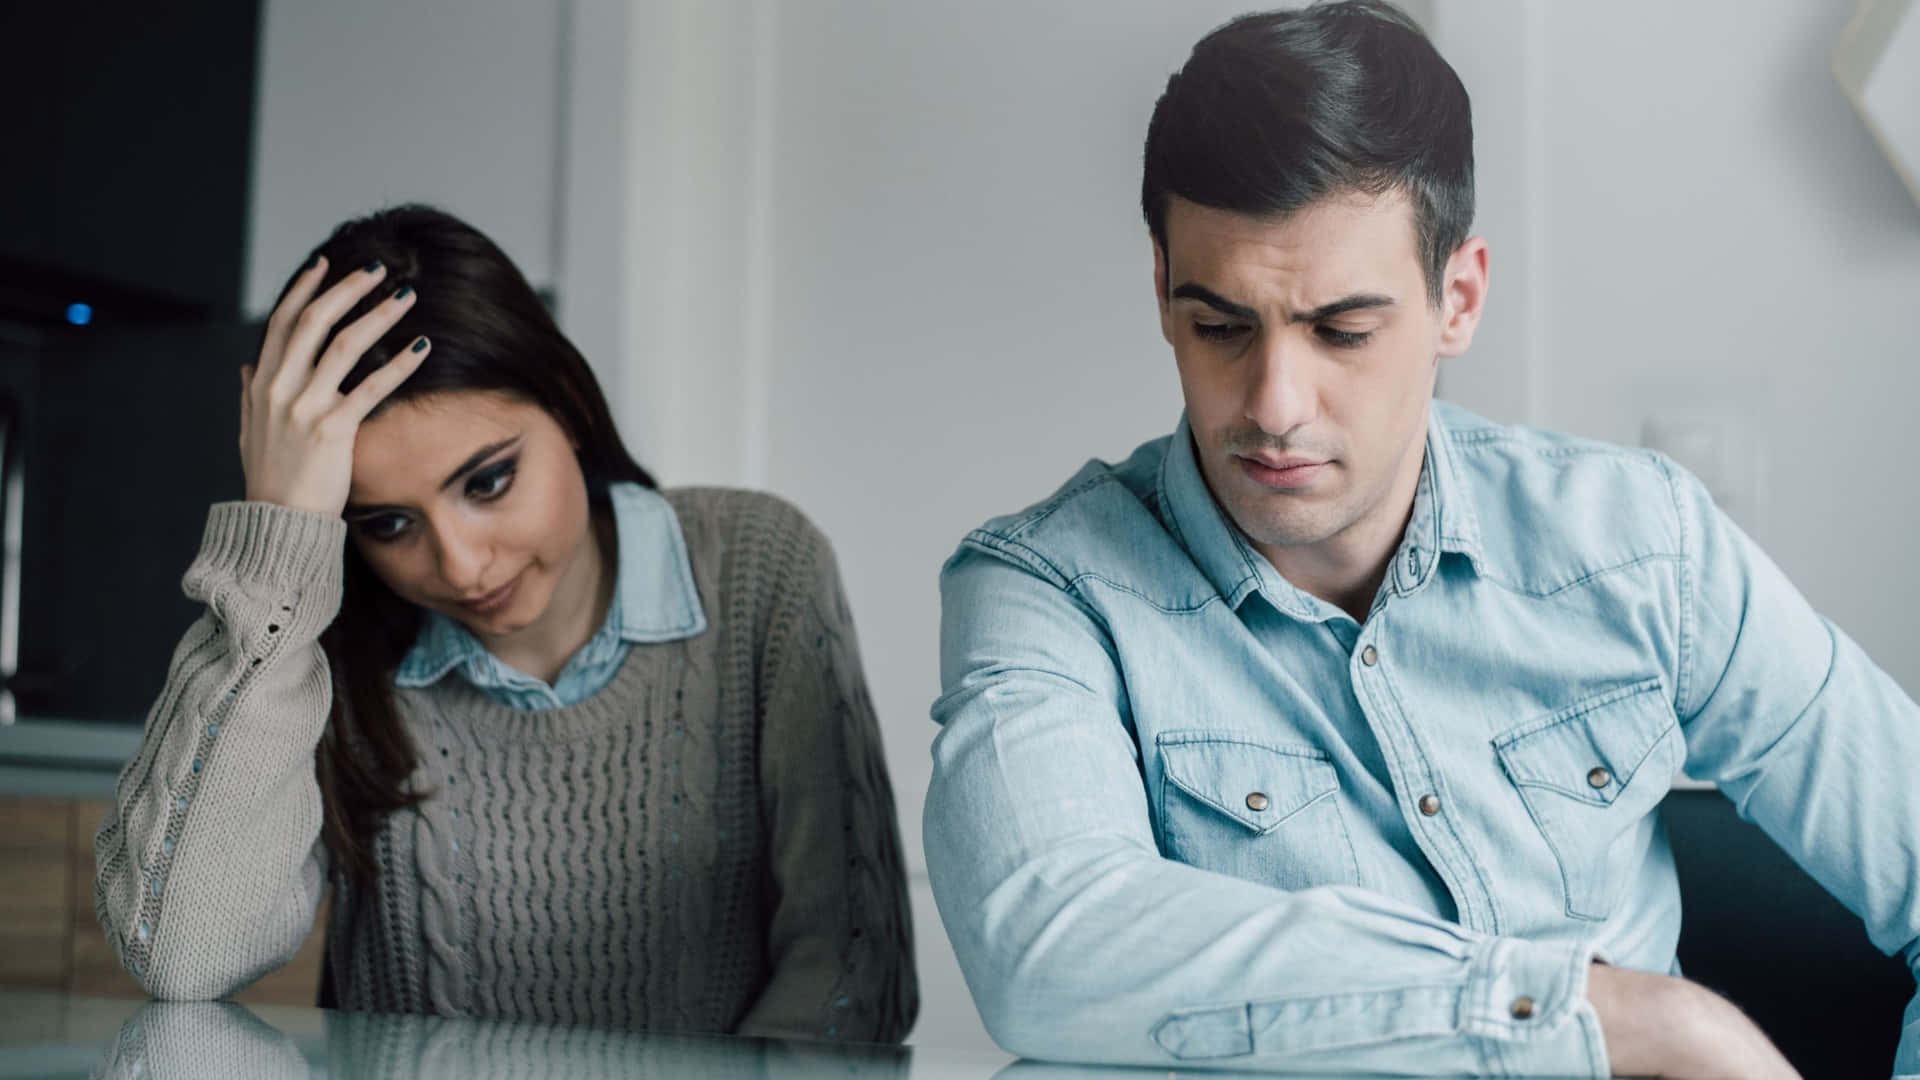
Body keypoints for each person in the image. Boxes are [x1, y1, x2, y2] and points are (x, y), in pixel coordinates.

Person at [923, 3, 1919, 1077]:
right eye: (1222, 326)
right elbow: (1048, 947)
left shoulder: (1644, 549)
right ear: (1163, 289)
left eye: (1343, 331)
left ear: (1460, 299)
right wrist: (1635, 1024)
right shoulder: (1045, 592)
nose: (1275, 404)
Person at [94, 205, 918, 1042]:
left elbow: (850, 973)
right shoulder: (317, 635)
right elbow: (179, 956)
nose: (459, 565)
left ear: (566, 403)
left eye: (487, 483)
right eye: (386, 523)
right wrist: (276, 547)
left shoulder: (757, 565)